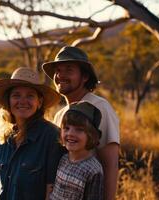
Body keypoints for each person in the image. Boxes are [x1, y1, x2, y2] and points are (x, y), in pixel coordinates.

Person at [42, 46, 120, 200]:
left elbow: (110, 166)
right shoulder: (60, 115)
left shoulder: (100, 107)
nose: (60, 76)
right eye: (58, 70)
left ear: (85, 76)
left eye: (69, 70)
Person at [0, 67, 64, 200]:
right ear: (8, 101)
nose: (23, 101)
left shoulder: (52, 137)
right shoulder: (2, 137)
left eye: (30, 95)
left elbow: (51, 191)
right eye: (16, 95)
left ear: (39, 102)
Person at [50, 101, 104, 200]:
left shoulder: (93, 170)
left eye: (79, 129)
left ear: (91, 135)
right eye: (66, 128)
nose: (70, 133)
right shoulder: (63, 158)